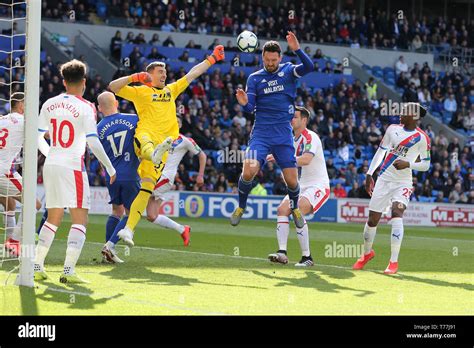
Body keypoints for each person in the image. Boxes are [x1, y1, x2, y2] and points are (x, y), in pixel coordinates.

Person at [108, 45, 225, 247]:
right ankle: (151, 153)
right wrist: (134, 77)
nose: (164, 74)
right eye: (160, 72)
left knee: (145, 190)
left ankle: (128, 230)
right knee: (146, 145)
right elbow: (113, 87)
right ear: (150, 74)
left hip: (163, 148)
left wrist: (212, 59)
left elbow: (193, 73)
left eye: (165, 72)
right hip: (145, 138)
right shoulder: (142, 91)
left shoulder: (171, 90)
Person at [36, 59, 116, 283]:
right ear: (84, 81)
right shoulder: (86, 107)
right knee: (80, 219)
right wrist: (109, 166)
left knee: (53, 217)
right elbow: (93, 140)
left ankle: (36, 265)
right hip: (72, 166)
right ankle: (68, 271)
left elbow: (36, 136)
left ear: (63, 81)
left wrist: (51, 152)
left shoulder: (49, 103)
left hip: (51, 165)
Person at [230, 32, 313, 228]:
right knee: (249, 170)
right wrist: (244, 103)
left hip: (283, 134)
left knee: (292, 181)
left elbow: (309, 67)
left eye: (273, 60)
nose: (270, 63)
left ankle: (294, 208)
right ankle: (241, 206)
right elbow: (250, 108)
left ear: (280, 58)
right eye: (267, 59)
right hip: (261, 134)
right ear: (262, 58)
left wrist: (298, 50)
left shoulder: (289, 71)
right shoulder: (255, 78)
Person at [353, 103, 431, 275]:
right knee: (372, 219)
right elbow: (380, 152)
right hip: (384, 179)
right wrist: (369, 173)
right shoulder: (392, 129)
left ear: (415, 116)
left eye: (406, 111)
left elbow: (426, 164)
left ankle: (393, 262)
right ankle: (366, 254)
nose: (401, 113)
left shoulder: (422, 138)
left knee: (397, 213)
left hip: (403, 182)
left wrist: (408, 164)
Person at [267, 107, 330, 267]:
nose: (291, 120)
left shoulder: (311, 137)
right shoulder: (289, 139)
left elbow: (306, 159)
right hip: (302, 185)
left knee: (297, 210)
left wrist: (281, 158)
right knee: (282, 210)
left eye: (294, 117)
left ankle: (307, 257)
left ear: (304, 120)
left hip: (318, 185)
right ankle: (282, 252)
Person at [95, 91, 140, 263]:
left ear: (99, 108)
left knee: (116, 210)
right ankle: (110, 245)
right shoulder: (133, 119)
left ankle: (108, 254)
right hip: (130, 173)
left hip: (111, 175)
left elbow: (98, 157)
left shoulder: (97, 129)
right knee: (132, 213)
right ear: (117, 103)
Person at [146, 117, 207, 244]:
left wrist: (200, 175)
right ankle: (182, 229)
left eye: (178, 122)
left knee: (140, 194)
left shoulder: (185, 141)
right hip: (154, 176)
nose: (175, 123)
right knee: (151, 216)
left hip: (165, 177)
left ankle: (127, 230)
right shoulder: (159, 137)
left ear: (180, 125)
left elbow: (202, 155)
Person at [0, 93, 41, 257]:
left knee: (9, 205)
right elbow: (43, 136)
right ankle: (14, 242)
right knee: (34, 205)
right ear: (22, 104)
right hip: (4, 172)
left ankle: (10, 244)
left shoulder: (2, 119)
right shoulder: (25, 122)